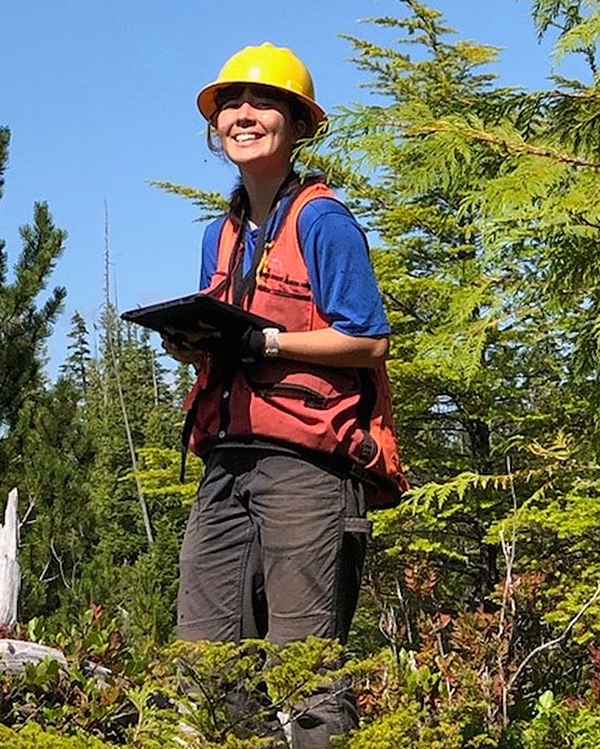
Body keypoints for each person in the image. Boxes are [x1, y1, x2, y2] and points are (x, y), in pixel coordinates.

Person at [167, 42, 407, 747]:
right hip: (224, 466)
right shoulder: (223, 234)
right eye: (230, 105)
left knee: (306, 678)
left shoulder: (322, 220)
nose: (243, 116)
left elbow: (369, 342)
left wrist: (267, 343)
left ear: (299, 125)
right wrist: (195, 342)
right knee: (208, 671)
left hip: (308, 468)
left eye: (263, 103)